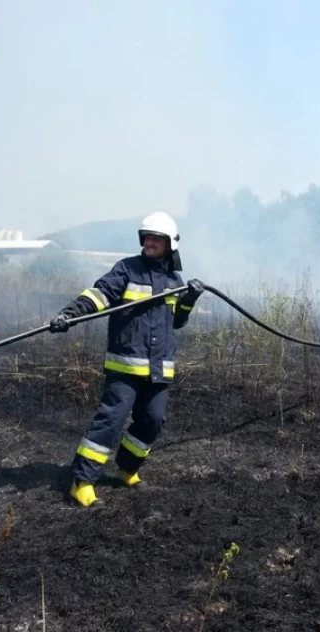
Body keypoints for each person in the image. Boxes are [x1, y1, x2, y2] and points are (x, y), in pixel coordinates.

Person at [48, 211, 204, 507]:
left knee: (152, 421)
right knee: (111, 420)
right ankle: (82, 482)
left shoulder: (175, 280)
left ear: (170, 244)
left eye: (156, 238)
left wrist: (189, 299)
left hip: (159, 367)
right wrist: (70, 314)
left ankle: (127, 470)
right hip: (126, 365)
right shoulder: (127, 269)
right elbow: (100, 295)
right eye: (147, 237)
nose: (149, 243)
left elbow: (177, 322)